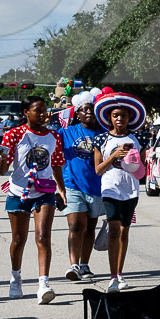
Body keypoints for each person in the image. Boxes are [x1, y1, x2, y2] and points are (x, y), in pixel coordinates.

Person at [2, 96, 68, 303]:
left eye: (44, 110)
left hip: (44, 191)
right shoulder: (13, 135)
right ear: (26, 113)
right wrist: (2, 157)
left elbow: (56, 165)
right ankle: (16, 278)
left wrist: (61, 189)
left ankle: (43, 284)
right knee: (18, 240)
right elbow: (2, 170)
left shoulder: (54, 137)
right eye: (38, 110)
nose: (43, 114)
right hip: (18, 192)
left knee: (43, 237)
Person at [93, 92, 146, 292]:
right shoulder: (101, 139)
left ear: (129, 118)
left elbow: (142, 170)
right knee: (114, 229)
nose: (119, 119)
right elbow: (98, 169)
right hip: (110, 188)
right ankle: (112, 276)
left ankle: (121, 273)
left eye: (123, 115)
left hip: (130, 190)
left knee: (124, 230)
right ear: (110, 118)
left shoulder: (139, 138)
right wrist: (114, 155)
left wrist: (134, 162)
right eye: (115, 115)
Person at [57, 91, 105, 282]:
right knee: (76, 225)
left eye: (92, 109)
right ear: (77, 114)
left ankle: (84, 264)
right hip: (72, 185)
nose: (89, 113)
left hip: (97, 186)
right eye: (84, 110)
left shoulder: (104, 133)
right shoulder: (66, 133)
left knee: (90, 227)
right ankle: (73, 265)